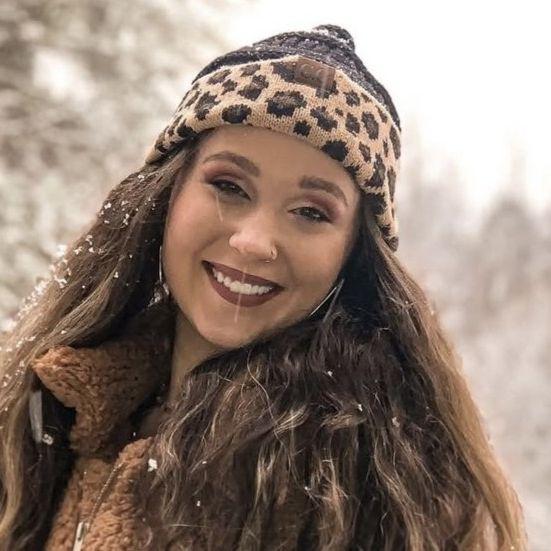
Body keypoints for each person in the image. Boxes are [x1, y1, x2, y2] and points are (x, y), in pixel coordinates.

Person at [0, 24, 527, 550]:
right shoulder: (57, 402)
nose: (254, 242)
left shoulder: (358, 489)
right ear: (167, 195)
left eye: (311, 212)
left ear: (353, 254)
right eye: (229, 186)